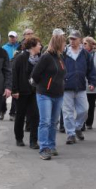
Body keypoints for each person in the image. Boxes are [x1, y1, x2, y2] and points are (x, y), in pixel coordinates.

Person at [31, 29, 66, 160]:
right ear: (58, 43)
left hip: (58, 94)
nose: (65, 45)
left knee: (54, 122)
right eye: (63, 43)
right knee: (45, 121)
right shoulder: (46, 57)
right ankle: (44, 148)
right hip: (45, 94)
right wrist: (46, 84)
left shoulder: (61, 57)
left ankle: (51, 146)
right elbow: (35, 74)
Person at [62, 30, 96, 145]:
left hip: (81, 86)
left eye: (74, 39)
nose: (71, 41)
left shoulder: (85, 54)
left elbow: (91, 69)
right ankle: (70, 134)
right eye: (70, 39)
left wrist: (92, 82)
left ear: (80, 40)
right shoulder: (64, 52)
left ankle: (77, 127)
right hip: (66, 87)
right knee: (68, 113)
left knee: (84, 110)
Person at [12, 36, 42, 149]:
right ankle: (19, 138)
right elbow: (14, 74)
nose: (40, 46)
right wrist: (14, 90)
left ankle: (33, 141)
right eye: (38, 44)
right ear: (32, 46)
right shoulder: (20, 58)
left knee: (35, 116)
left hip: (34, 92)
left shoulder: (40, 58)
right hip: (21, 92)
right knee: (20, 115)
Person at [1, 31, 20, 121]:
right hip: (6, 73)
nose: (12, 38)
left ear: (16, 37)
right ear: (8, 38)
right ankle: (2, 110)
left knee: (15, 93)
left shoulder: (19, 47)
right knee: (3, 94)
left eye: (14, 37)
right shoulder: (4, 48)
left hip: (16, 73)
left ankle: (13, 113)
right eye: (10, 37)